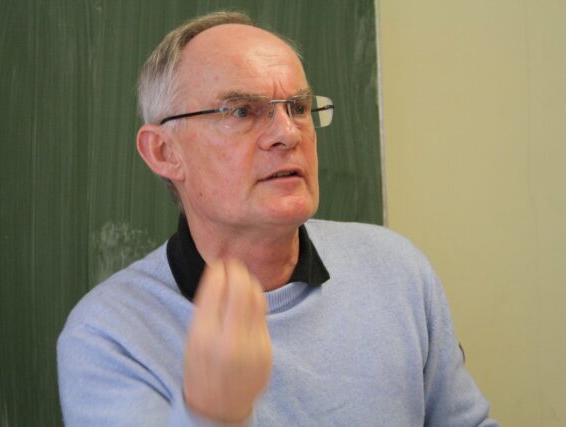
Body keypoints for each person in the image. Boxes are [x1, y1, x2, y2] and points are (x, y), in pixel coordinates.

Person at [57, 11, 498, 427]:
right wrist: (213, 413)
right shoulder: (109, 334)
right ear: (164, 152)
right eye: (242, 111)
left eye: (299, 108)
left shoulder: (396, 270)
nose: (288, 134)